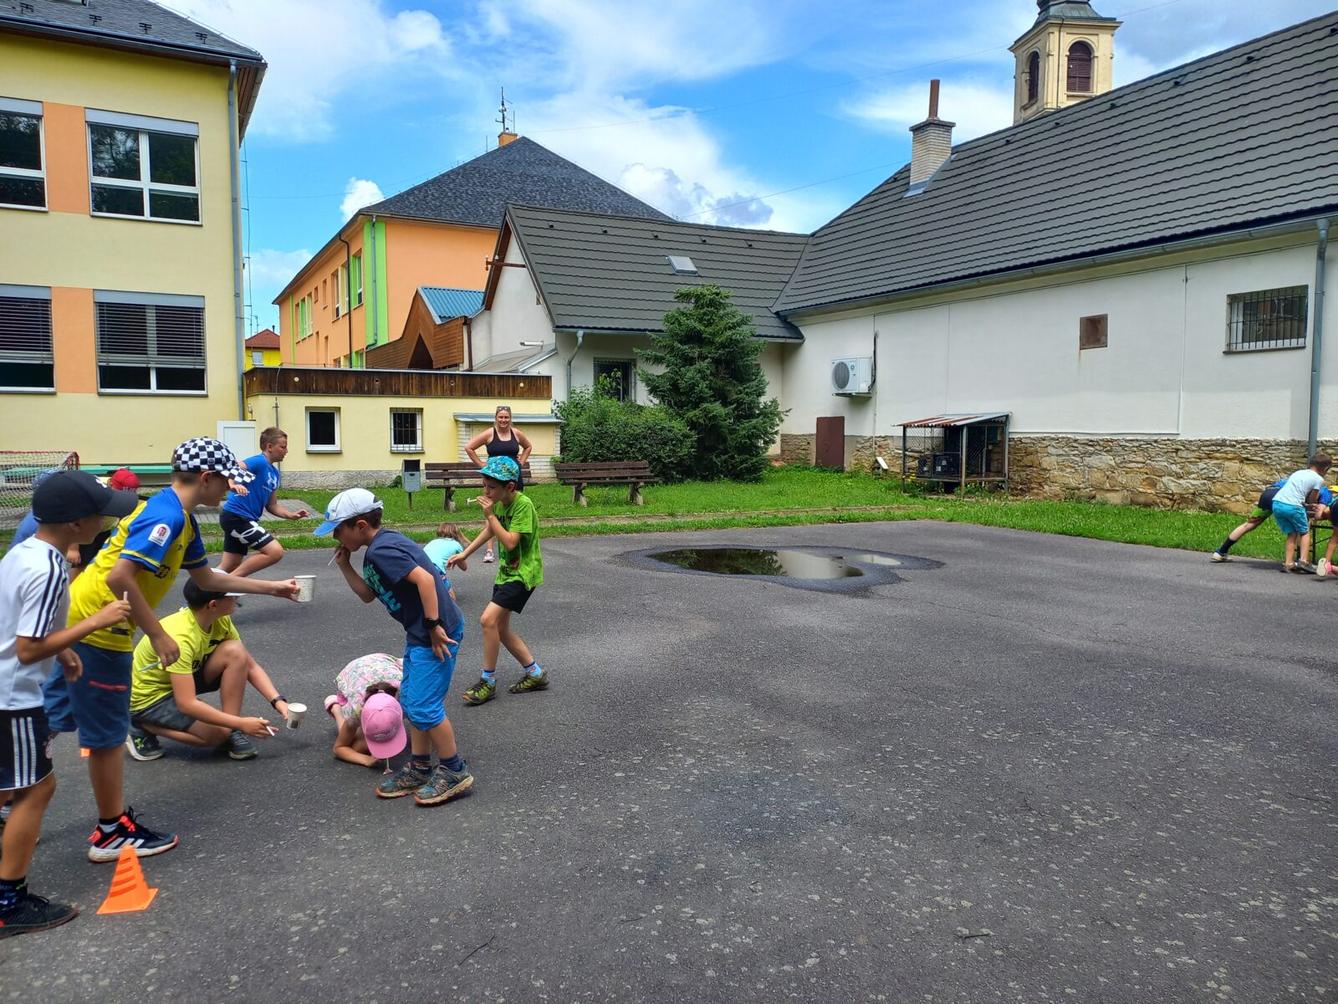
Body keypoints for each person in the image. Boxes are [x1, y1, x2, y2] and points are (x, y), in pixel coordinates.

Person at [43, 437, 299, 862]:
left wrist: (272, 587)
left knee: (48, 721)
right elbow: (119, 578)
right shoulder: (165, 515)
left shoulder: (182, 518)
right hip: (99, 632)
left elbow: (209, 580)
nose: (231, 490)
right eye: (227, 482)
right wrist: (157, 634)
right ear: (206, 478)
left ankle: (13, 796)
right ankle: (110, 832)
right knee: (105, 738)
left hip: (82, 626)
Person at [0, 471, 135, 939]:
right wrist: (95, 621)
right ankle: (7, 901)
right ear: (78, 524)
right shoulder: (51, 568)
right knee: (35, 790)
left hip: (8, 688)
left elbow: (26, 626)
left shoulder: (24, 551)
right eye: (100, 513)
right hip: (13, 696)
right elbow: (27, 648)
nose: (106, 519)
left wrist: (64, 648)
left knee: (20, 785)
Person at [319, 488, 474, 805]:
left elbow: (427, 581)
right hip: (420, 633)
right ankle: (419, 766)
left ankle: (454, 770)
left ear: (360, 525)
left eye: (338, 529)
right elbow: (367, 595)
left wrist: (433, 626)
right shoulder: (375, 550)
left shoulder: (383, 550)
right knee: (414, 698)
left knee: (423, 706)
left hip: (435, 633)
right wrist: (344, 565)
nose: (335, 536)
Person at [125, 580, 292, 762]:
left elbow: (249, 665)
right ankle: (141, 724)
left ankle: (231, 730)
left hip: (180, 679)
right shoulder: (181, 638)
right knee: (217, 735)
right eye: (231, 596)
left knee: (235, 652)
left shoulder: (219, 619)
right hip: (151, 698)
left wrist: (278, 702)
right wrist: (242, 723)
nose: (236, 599)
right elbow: (186, 703)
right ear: (213, 604)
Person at [446, 456, 548, 705]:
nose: (486, 491)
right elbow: (491, 530)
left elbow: (511, 541)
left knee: (487, 620)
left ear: (510, 487)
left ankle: (488, 681)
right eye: (485, 485)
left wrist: (490, 514)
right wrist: (465, 552)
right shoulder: (500, 503)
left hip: (523, 574)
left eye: (491, 487)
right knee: (499, 628)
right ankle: (535, 673)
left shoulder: (522, 505)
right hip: (506, 572)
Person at [217, 427, 310, 576]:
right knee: (275, 552)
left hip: (240, 518)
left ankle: (204, 592)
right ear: (269, 447)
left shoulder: (274, 473)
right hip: (236, 516)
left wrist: (291, 515)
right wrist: (232, 484)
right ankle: (227, 583)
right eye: (283, 447)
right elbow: (234, 468)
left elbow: (272, 505)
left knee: (231, 564)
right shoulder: (259, 462)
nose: (286, 451)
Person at [464, 405, 531, 563]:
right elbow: (469, 447)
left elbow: (528, 446)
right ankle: (489, 550)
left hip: (512, 478)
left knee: (515, 509)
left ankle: (513, 541)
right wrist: (482, 465)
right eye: (500, 417)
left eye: (506, 417)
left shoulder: (516, 433)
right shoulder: (489, 433)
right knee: (492, 512)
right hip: (494, 479)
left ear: (510, 418)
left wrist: (521, 461)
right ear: (496, 418)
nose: (503, 420)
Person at [323, 652, 404, 768]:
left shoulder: (406, 695)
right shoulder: (356, 712)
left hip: (383, 663)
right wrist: (366, 760)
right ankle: (335, 707)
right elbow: (339, 748)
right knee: (358, 748)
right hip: (354, 672)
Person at [1270, 454, 1331, 573]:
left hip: (1277, 503)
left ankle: (1288, 563)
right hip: (1293, 506)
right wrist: (1312, 505)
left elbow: (1295, 491)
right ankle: (1303, 561)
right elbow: (1312, 498)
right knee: (1304, 532)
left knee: (1291, 533)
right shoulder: (1318, 479)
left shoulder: (1298, 472)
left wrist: (1306, 504)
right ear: (1325, 469)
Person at [424, 522, 469, 601]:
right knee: (451, 599)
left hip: (419, 566)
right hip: (435, 569)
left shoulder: (432, 542)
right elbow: (464, 567)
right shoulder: (456, 544)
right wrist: (455, 560)